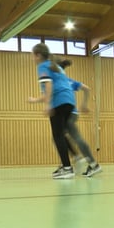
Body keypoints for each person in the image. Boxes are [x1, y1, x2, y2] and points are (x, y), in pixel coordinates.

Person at [28, 43, 76, 179]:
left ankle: (68, 168)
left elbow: (49, 85)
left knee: (57, 136)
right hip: (69, 101)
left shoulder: (42, 66)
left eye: (33, 55)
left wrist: (48, 104)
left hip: (58, 102)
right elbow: (51, 89)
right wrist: (35, 100)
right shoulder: (56, 67)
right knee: (61, 134)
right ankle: (67, 163)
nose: (33, 59)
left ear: (38, 55)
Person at [56, 59, 102, 177]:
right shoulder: (69, 81)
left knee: (72, 137)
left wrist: (84, 104)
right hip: (72, 112)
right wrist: (84, 104)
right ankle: (75, 159)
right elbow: (86, 88)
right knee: (60, 136)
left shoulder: (58, 81)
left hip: (68, 113)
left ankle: (90, 162)